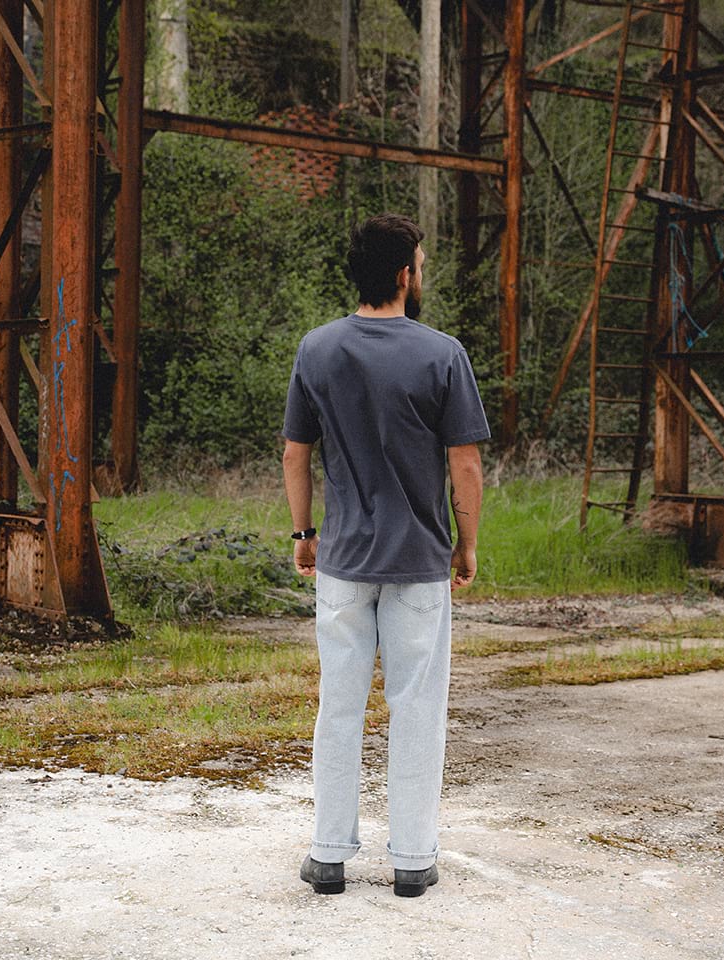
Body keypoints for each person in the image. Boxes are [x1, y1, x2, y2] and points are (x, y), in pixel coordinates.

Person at [281, 213, 490, 898]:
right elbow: (465, 465)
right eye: (420, 266)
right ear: (404, 274)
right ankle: (412, 860)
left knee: (338, 705)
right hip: (419, 561)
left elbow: (295, 454)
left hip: (342, 561)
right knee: (418, 707)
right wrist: (466, 545)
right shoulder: (443, 354)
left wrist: (304, 534)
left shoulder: (317, 348)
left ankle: (328, 855)